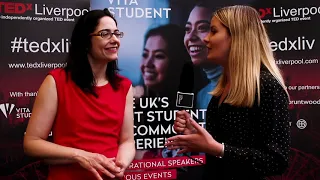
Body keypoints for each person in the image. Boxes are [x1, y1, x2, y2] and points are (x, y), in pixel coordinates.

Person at [165, 5, 291, 180]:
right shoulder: (221, 89)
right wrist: (196, 138)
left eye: (213, 31)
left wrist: (217, 149)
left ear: (237, 38)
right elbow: (223, 146)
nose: (206, 39)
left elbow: (276, 161)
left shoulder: (267, 86)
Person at [23, 8, 135, 180]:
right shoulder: (56, 81)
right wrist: (82, 156)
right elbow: (31, 143)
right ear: (85, 41)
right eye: (105, 33)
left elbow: (127, 141)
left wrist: (121, 163)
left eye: (116, 33)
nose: (115, 40)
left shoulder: (124, 86)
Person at [184, 2, 223, 110]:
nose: (191, 37)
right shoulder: (202, 95)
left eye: (202, 28)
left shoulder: (253, 88)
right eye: (187, 29)